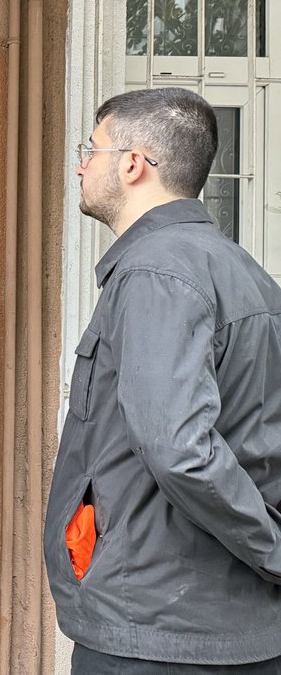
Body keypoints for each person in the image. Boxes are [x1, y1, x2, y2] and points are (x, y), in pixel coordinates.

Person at [46, 88, 281, 673]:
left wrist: (275, 552)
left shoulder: (158, 271)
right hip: (235, 629)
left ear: (133, 163)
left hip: (156, 634)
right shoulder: (243, 272)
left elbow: (180, 449)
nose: (81, 163)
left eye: (91, 149)